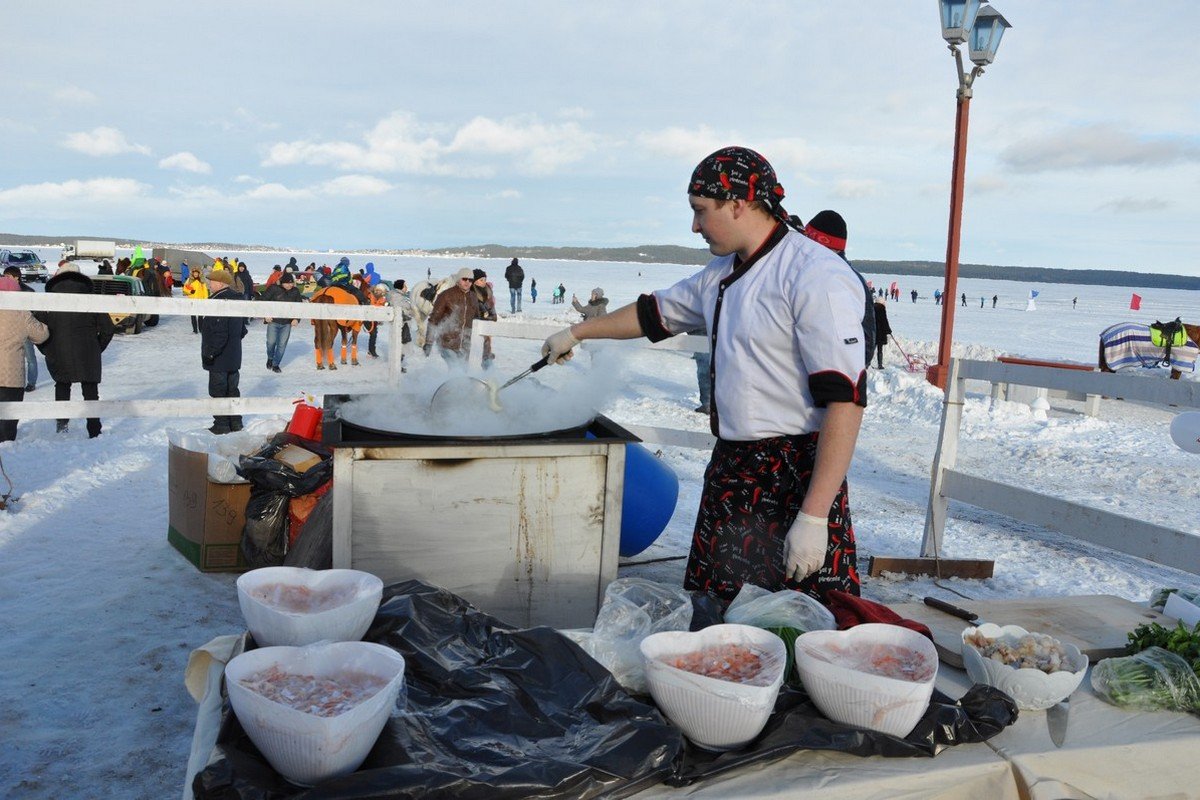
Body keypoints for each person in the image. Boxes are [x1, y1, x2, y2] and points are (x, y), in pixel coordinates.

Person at [541, 145, 869, 604]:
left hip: (796, 475)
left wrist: (814, 516)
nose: (694, 226)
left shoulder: (814, 275)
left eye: (700, 211)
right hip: (733, 469)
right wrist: (577, 332)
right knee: (717, 620)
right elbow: (653, 313)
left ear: (738, 203)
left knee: (800, 626)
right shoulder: (720, 273)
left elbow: (846, 400)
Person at [34, 268, 115, 437]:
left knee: (62, 386)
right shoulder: (91, 300)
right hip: (88, 352)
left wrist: (48, 350)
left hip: (59, 350)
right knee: (91, 391)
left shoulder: (49, 301)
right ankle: (94, 430)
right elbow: (108, 329)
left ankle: (62, 427)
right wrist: (97, 348)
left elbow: (37, 331)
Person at [0, 276, 49, 442]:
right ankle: (6, 443)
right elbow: (41, 335)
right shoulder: (22, 314)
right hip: (11, 375)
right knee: (10, 415)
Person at [200, 269, 248, 434]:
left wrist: (211, 352)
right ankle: (235, 423)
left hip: (219, 357)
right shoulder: (237, 299)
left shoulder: (220, 300)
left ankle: (221, 425)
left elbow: (220, 331)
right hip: (233, 355)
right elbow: (243, 330)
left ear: (220, 283)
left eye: (211, 281)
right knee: (232, 389)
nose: (209, 284)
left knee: (218, 390)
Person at [427, 267, 477, 363]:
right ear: (458, 279)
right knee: (455, 369)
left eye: (470, 280)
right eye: (464, 279)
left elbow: (477, 319)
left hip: (465, 345)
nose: (467, 282)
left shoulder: (473, 297)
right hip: (447, 343)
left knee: (463, 373)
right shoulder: (446, 295)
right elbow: (434, 319)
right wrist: (429, 341)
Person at [2, 266, 39, 391]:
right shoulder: (3, 291)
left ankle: (31, 383)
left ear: (16, 277)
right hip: (8, 328)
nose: (5, 279)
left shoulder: (28, 291)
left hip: (24, 327)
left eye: (8, 276)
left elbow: (34, 311)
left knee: (30, 358)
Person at [260, 271, 302, 372]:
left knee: (282, 345)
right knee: (271, 342)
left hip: (287, 323)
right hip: (273, 321)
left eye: (291, 283)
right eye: (287, 283)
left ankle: (276, 364)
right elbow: (262, 301)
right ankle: (270, 357)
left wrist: (296, 319)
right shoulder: (273, 289)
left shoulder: (295, 291)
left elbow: (300, 307)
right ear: (282, 282)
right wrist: (266, 315)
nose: (290, 285)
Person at [472, 269, 498, 367]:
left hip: (487, 323)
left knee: (487, 343)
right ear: (475, 281)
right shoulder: (471, 293)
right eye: (481, 280)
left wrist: (492, 316)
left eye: (485, 279)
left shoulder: (488, 291)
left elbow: (491, 306)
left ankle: (486, 364)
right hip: (474, 324)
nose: (484, 282)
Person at [183, 267, 208, 333]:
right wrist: (190, 291)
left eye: (197, 273)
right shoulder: (189, 280)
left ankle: (201, 329)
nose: (196, 274)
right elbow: (185, 288)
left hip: (200, 300)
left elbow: (205, 291)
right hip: (192, 300)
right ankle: (195, 330)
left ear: (199, 273)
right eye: (194, 273)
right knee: (193, 315)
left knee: (200, 316)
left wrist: (205, 299)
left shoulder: (202, 281)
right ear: (193, 273)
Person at [872, 297, 892, 369]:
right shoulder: (881, 308)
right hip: (880, 332)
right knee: (880, 349)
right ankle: (880, 364)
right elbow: (884, 320)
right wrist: (888, 330)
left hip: (873, 331)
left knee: (872, 348)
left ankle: (867, 363)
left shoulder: (872, 307)